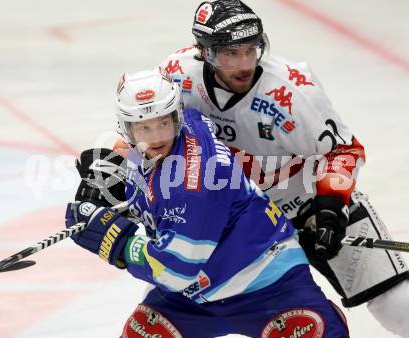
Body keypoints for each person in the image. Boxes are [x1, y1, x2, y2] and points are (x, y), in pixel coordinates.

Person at [132, 0, 408, 336]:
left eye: (251, 49)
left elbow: (343, 151)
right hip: (236, 223)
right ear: (203, 52)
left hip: (308, 209)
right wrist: (115, 166)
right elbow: (144, 128)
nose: (244, 63)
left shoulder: (292, 91)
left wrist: (331, 208)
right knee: (162, 317)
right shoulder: (176, 76)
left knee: (399, 306)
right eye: (230, 54)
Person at [66, 67, 349, 337]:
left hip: (266, 285)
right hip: (191, 299)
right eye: (144, 128)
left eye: (163, 124)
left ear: (174, 116)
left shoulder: (195, 183)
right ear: (127, 129)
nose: (156, 138)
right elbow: (139, 164)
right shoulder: (186, 122)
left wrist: (115, 240)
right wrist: (113, 165)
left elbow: (177, 269)